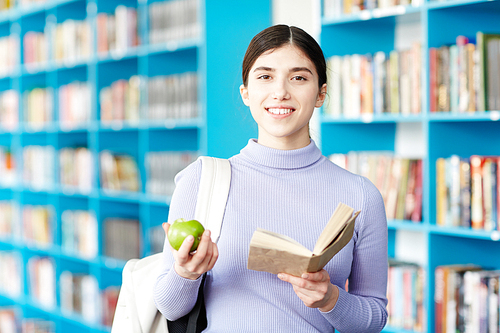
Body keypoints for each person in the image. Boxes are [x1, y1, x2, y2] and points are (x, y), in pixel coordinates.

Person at [154, 24, 388, 332]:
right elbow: (169, 307)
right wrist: (186, 273)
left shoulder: (360, 195)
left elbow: (374, 317)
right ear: (246, 93)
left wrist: (331, 298)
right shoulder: (202, 180)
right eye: (265, 76)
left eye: (299, 77)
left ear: (320, 94)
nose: (280, 91)